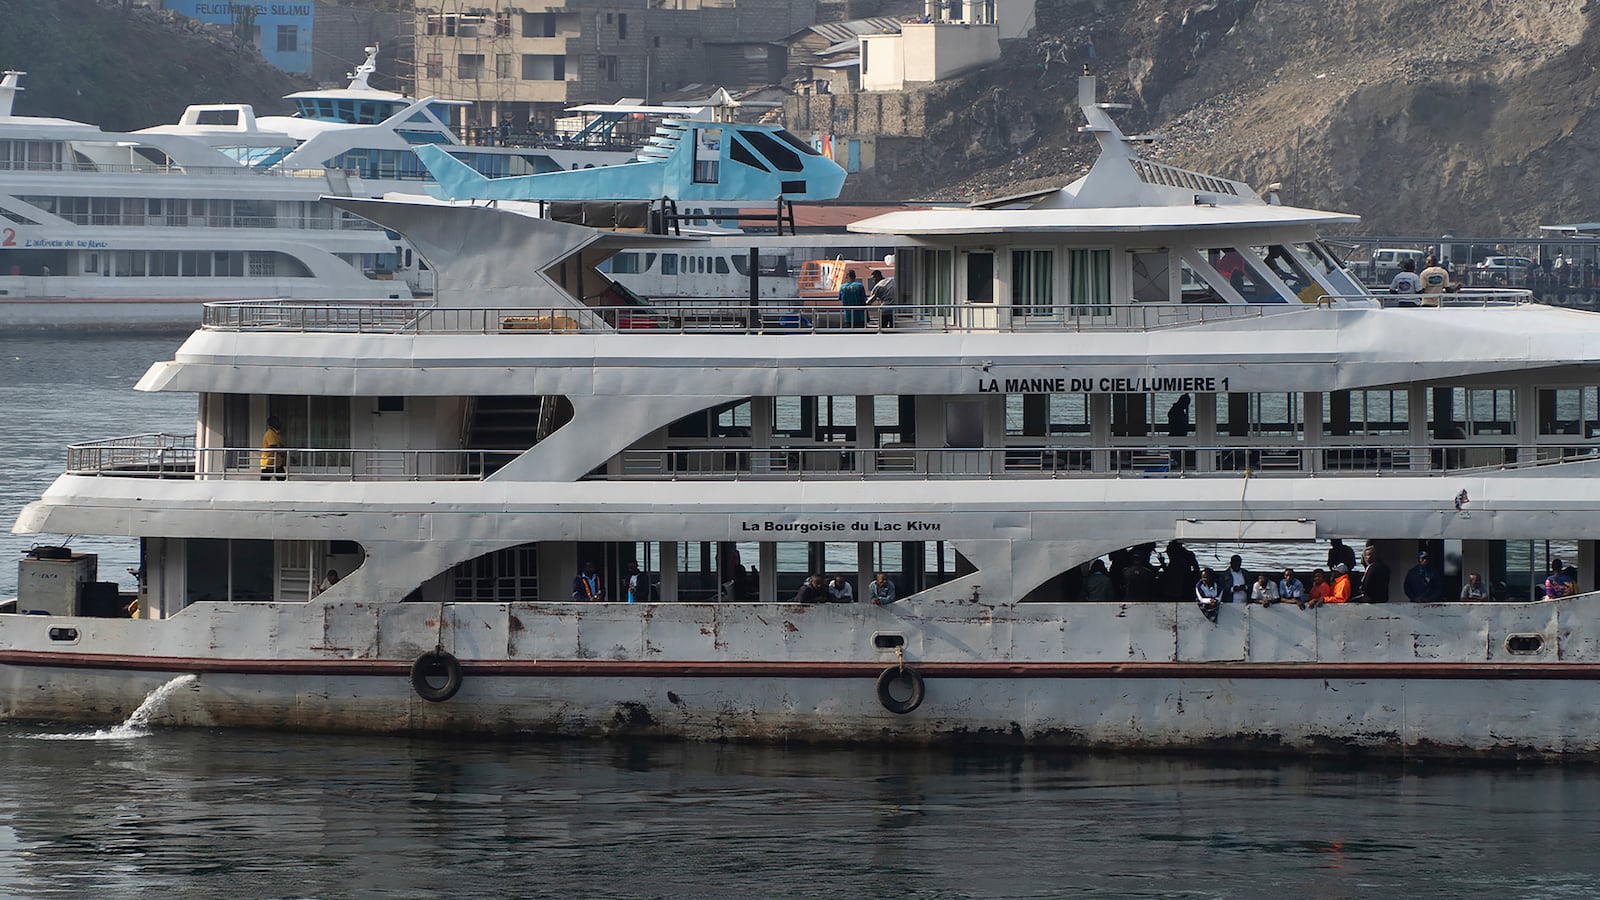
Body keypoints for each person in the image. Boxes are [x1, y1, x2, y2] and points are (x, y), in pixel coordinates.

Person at [259, 415, 286, 480]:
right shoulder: (270, 433)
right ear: (273, 424)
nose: (280, 423)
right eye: (278, 422)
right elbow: (274, 447)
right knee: (265, 481)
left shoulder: (277, 433)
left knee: (282, 478)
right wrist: (284, 455)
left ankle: (282, 490)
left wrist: (287, 454)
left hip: (277, 462)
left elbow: (280, 446)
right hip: (268, 462)